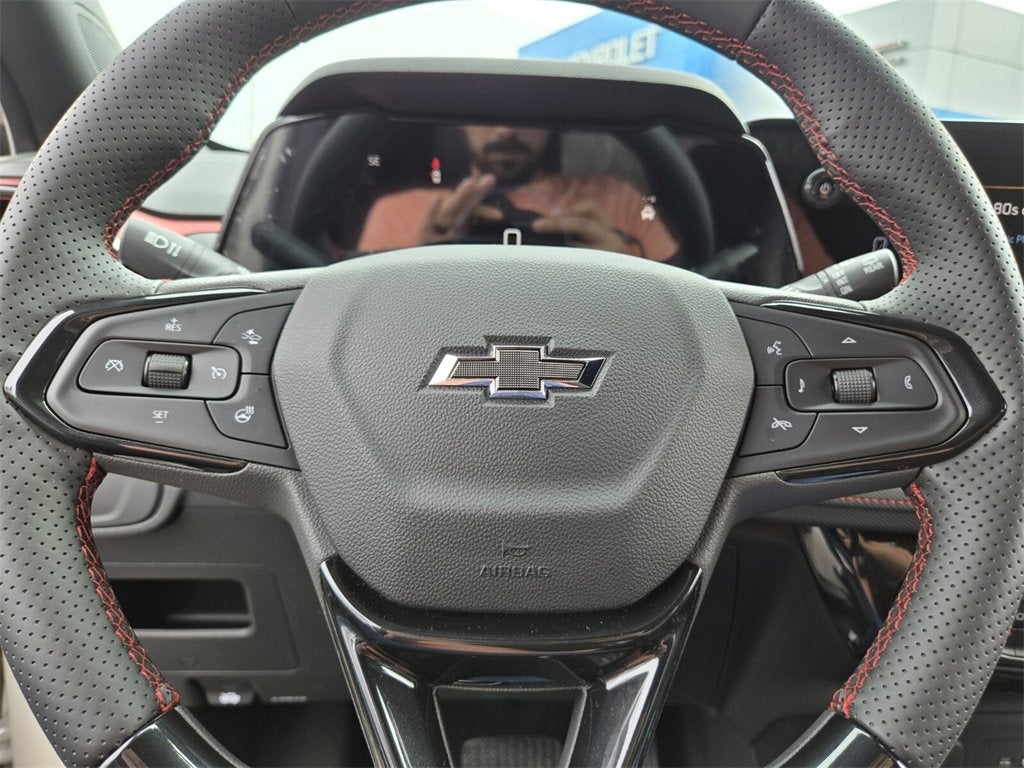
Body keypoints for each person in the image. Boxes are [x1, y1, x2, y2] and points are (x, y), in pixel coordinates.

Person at [357, 126, 678, 261]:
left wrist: (621, 272)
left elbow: (678, 302)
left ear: (551, 122)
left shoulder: (618, 200)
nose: (505, 130)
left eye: (525, 111)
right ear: (460, 121)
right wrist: (422, 268)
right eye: (484, 109)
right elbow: (372, 325)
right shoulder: (396, 211)